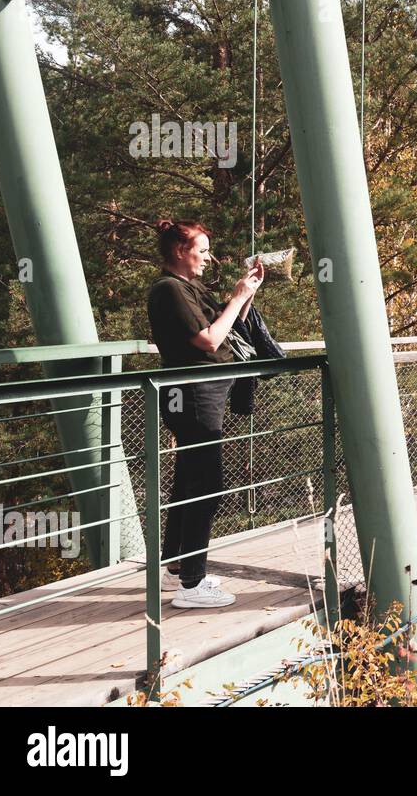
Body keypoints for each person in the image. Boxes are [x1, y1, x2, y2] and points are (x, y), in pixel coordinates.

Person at [146, 219, 264, 610]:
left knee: (188, 478)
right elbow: (209, 340)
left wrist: (244, 295)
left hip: (198, 394)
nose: (207, 257)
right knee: (207, 484)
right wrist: (235, 297)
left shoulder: (187, 288)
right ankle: (193, 586)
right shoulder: (169, 290)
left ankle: (177, 567)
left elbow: (227, 327)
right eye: (202, 249)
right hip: (194, 395)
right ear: (181, 251)